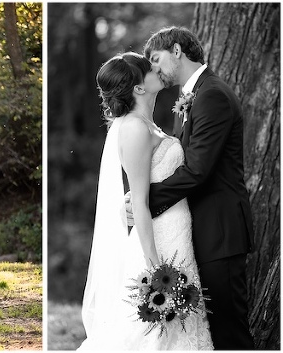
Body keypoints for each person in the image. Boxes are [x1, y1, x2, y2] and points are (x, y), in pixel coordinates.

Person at [78, 52, 212, 350]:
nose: (157, 70)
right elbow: (139, 201)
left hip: (178, 231)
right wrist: (155, 268)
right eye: (150, 69)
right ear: (139, 88)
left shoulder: (148, 124)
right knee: (153, 334)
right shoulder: (135, 129)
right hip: (159, 240)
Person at [144, 26, 254, 350]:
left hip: (221, 233)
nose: (154, 69)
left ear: (177, 50)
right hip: (204, 232)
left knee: (231, 333)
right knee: (216, 331)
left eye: (156, 59)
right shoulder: (191, 97)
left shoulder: (213, 95)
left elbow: (197, 170)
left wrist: (146, 200)